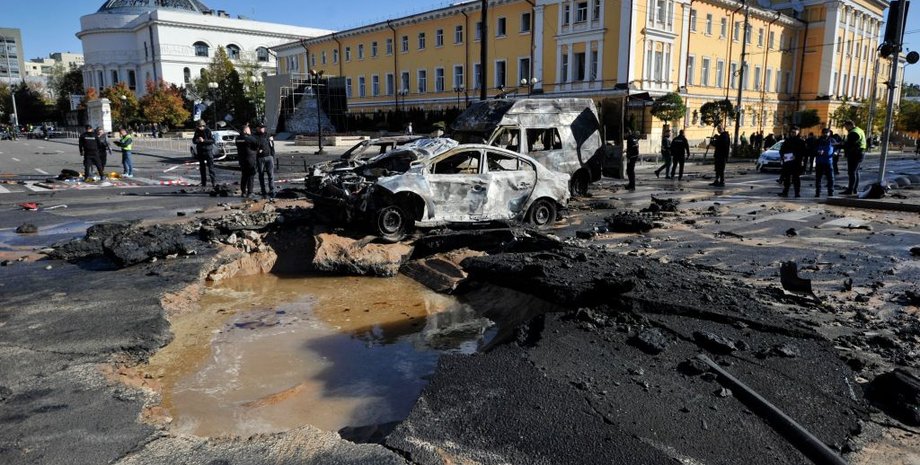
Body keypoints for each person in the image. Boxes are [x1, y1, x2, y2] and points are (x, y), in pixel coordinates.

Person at [778, 125, 807, 197]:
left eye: (794, 132)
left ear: (798, 132)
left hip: (796, 163)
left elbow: (804, 152)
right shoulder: (787, 140)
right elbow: (782, 150)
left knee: (796, 178)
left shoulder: (801, 141)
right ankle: (785, 192)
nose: (793, 133)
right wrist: (783, 156)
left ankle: (797, 193)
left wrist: (796, 156)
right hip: (787, 162)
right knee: (787, 178)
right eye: (792, 132)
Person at [841, 120, 867, 195]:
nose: (845, 128)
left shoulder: (853, 133)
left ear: (849, 125)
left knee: (852, 172)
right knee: (856, 172)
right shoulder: (859, 130)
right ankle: (854, 189)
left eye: (845, 126)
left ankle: (850, 190)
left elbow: (849, 144)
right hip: (860, 153)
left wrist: (839, 145)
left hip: (855, 154)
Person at [235, 124, 259, 198]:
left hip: (242, 160)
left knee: (244, 176)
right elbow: (257, 144)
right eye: (248, 129)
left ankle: (243, 192)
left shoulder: (238, 138)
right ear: (245, 131)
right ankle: (250, 192)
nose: (250, 131)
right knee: (251, 176)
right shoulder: (250, 138)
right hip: (250, 159)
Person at [193, 120, 217, 187]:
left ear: (204, 125)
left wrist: (204, 140)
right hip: (200, 151)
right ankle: (203, 183)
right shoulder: (197, 131)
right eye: (198, 127)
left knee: (211, 168)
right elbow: (194, 140)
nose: (199, 128)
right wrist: (197, 140)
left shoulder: (208, 130)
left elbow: (212, 140)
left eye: (200, 126)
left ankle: (213, 182)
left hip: (208, 150)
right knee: (202, 168)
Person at [256, 123, 277, 198]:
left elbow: (272, 146)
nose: (263, 129)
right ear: (257, 128)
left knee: (270, 174)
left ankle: (272, 189)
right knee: (261, 175)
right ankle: (263, 190)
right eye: (261, 128)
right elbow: (253, 146)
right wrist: (258, 150)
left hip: (269, 157)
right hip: (260, 158)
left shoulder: (268, 135)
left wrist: (273, 156)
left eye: (263, 128)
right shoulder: (255, 136)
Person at [814, 128, 835, 198]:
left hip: (828, 162)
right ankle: (818, 192)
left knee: (830, 178)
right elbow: (813, 149)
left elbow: (837, 147)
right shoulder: (818, 140)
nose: (825, 134)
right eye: (824, 132)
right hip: (819, 162)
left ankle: (830, 192)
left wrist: (836, 152)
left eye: (827, 132)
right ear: (822, 133)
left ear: (829, 133)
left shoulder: (832, 140)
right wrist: (817, 151)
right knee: (818, 178)